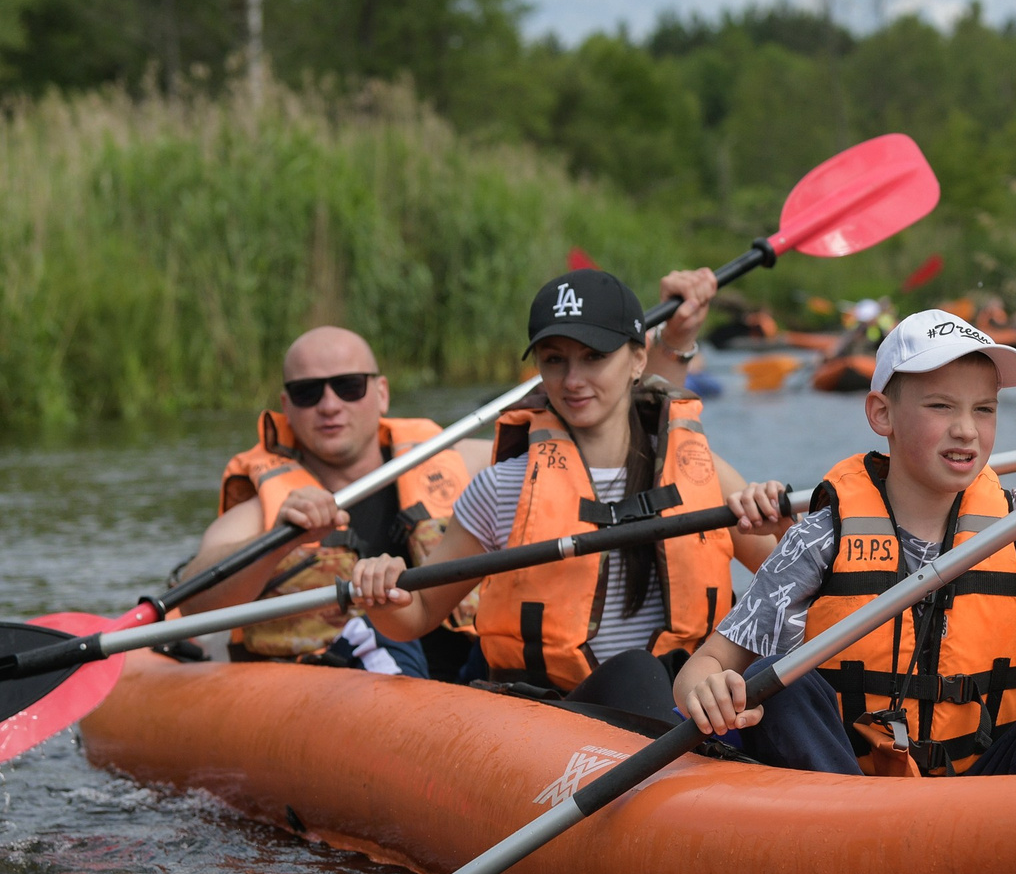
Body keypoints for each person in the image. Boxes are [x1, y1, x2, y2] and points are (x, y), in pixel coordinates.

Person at [666, 308, 1016, 776]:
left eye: (984, 409)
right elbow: (708, 663)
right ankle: (856, 844)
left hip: (985, 780)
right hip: (844, 785)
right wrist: (706, 690)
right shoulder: (821, 537)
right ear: (883, 414)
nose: (966, 431)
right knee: (774, 680)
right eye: (940, 407)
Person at [176, 276, 715, 678]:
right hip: (342, 676)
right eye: (308, 393)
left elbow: (638, 450)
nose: (330, 405)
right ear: (286, 408)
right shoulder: (269, 509)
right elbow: (195, 602)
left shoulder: (463, 462)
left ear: (382, 392)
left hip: (457, 674)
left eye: (348, 386)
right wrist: (280, 542)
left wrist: (676, 343)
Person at [347, 269, 792, 708]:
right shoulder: (503, 487)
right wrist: (382, 591)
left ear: (638, 359)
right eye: (554, 359)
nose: (572, 380)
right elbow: (420, 614)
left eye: (593, 356)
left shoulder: (701, 473)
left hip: (682, 713)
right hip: (551, 716)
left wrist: (780, 529)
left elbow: (793, 593)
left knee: (778, 684)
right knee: (635, 671)